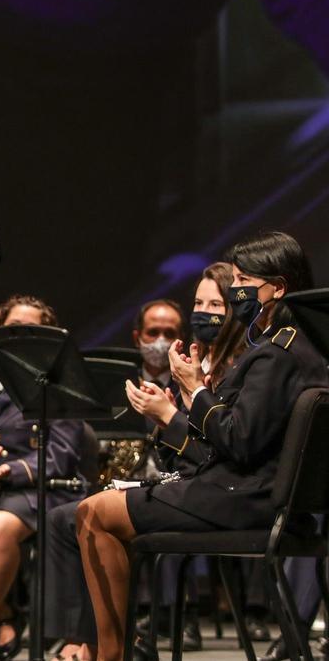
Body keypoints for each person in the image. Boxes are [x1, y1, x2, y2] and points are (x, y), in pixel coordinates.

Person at [79, 231, 329, 661]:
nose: (235, 291)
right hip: (248, 492)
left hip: (245, 497)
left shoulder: (278, 353)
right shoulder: (295, 347)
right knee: (98, 506)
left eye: (244, 280)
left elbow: (240, 440)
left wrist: (194, 390)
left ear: (279, 287)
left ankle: (109, 655)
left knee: (93, 513)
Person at [45, 264, 248, 661]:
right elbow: (186, 453)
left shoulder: (237, 370)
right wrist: (166, 417)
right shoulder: (200, 364)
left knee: (92, 515)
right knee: (62, 518)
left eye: (215, 304)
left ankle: (112, 647)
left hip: (220, 494)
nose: (204, 312)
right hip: (189, 482)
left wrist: (171, 417)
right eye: (199, 302)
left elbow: (219, 456)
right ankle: (84, 639)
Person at [0, 295, 86, 661]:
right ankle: (5, 617)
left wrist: (10, 469)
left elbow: (63, 454)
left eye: (32, 331)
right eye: (14, 330)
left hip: (34, 488)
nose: (21, 337)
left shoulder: (58, 382)